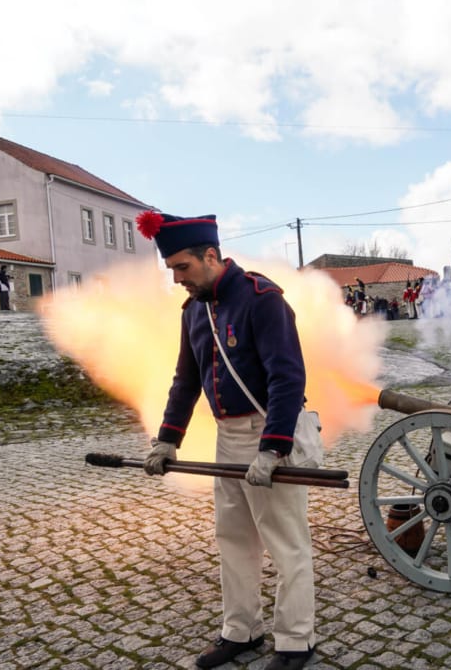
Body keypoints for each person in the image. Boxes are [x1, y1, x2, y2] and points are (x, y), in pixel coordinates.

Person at [136, 211, 316, 670]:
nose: (177, 279)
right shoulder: (194, 311)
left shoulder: (262, 299)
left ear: (210, 255)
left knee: (286, 542)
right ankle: (243, 630)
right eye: (172, 269)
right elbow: (186, 379)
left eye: (183, 268)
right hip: (228, 437)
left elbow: (287, 377)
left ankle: (296, 640)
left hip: (269, 431)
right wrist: (167, 441)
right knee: (233, 538)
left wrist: (273, 448)